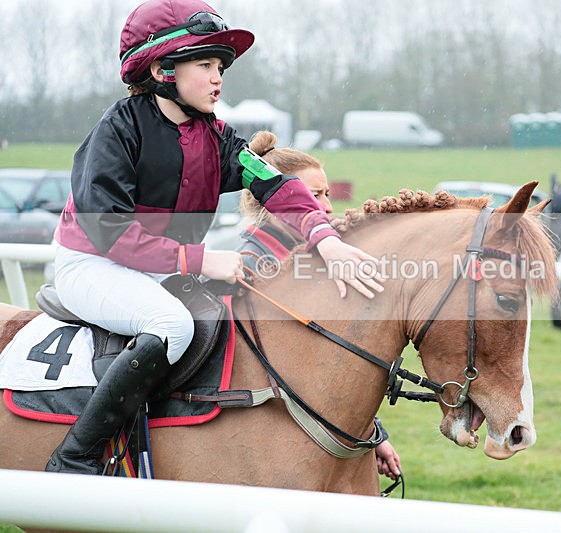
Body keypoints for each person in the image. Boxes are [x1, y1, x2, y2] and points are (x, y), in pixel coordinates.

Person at [47, 0, 382, 475]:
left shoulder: (220, 138)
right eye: (204, 64)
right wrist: (199, 259)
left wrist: (326, 239)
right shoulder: (116, 131)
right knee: (173, 327)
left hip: (161, 266)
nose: (217, 76)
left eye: (220, 65)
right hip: (92, 264)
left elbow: (278, 184)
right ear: (164, 69)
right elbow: (108, 232)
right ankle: (75, 456)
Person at [237, 131, 402, 481]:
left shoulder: (308, 264)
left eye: (326, 195)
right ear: (275, 201)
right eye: (312, 196)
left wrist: (374, 435)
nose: (326, 207)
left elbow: (324, 367)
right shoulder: (251, 266)